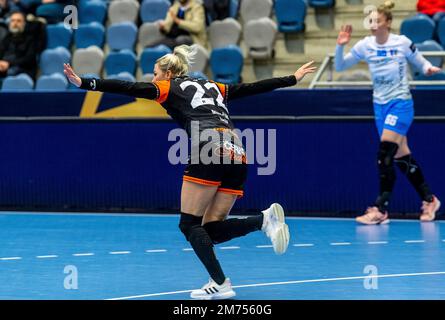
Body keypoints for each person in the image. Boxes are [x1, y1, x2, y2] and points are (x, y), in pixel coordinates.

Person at [64, 44, 316, 299]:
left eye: (155, 73)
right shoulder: (213, 86)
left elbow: (128, 87)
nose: (152, 78)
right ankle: (264, 221)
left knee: (189, 224)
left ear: (168, 73)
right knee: (212, 229)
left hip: (208, 147)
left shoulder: (167, 87)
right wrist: (292, 78)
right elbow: (251, 88)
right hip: (237, 151)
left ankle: (220, 282)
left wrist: (84, 82)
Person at [335, 1, 442, 225]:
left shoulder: (401, 42)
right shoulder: (365, 45)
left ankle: (380, 209)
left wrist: (427, 69)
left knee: (384, 154)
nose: (373, 25)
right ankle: (430, 199)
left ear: (388, 23)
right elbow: (340, 66)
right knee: (401, 156)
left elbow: (419, 61)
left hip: (400, 103)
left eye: (377, 21)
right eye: (371, 21)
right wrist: (340, 46)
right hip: (380, 106)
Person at [0, 11, 40, 80]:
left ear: (24, 24)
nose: (15, 23)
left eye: (18, 21)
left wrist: (9, 64)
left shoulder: (30, 39)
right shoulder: (6, 38)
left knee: (11, 72)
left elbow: (29, 59)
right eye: (13, 21)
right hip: (4, 67)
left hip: (22, 69)